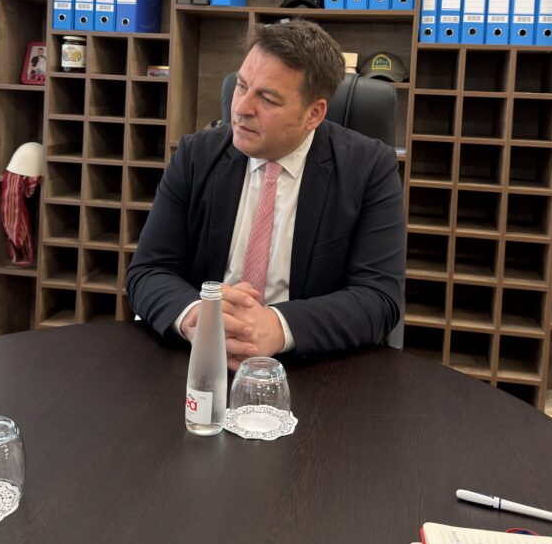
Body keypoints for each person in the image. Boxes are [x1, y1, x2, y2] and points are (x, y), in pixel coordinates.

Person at [126, 20, 405, 368]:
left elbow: (379, 297)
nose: (241, 108)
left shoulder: (369, 169)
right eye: (241, 86)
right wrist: (196, 316)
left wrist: (276, 325)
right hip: (201, 355)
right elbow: (148, 270)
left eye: (268, 99)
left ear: (314, 113)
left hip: (310, 363)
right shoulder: (196, 156)